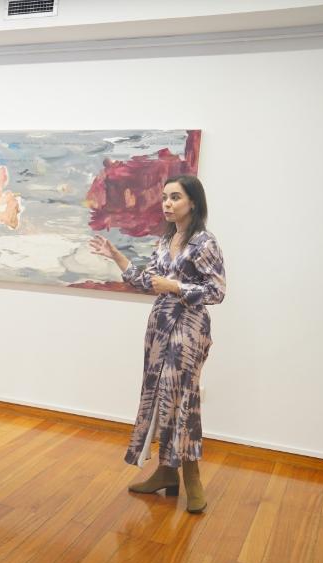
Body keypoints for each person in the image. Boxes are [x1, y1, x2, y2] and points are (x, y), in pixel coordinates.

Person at [89, 174, 225, 514]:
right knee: (160, 395)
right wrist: (117, 257)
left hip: (189, 326)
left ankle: (191, 476)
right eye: (165, 197)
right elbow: (148, 281)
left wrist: (177, 287)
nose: (167, 203)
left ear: (193, 202)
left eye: (175, 197)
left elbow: (217, 291)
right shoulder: (165, 242)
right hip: (160, 324)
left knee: (181, 397)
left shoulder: (205, 243)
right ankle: (166, 472)